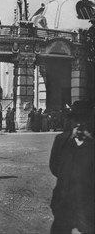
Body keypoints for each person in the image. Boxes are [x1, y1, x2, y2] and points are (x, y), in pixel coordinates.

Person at [49, 100, 94, 234]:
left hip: (88, 204)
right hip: (64, 201)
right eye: (76, 120)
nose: (79, 124)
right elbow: (54, 167)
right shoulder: (61, 141)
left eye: (83, 120)